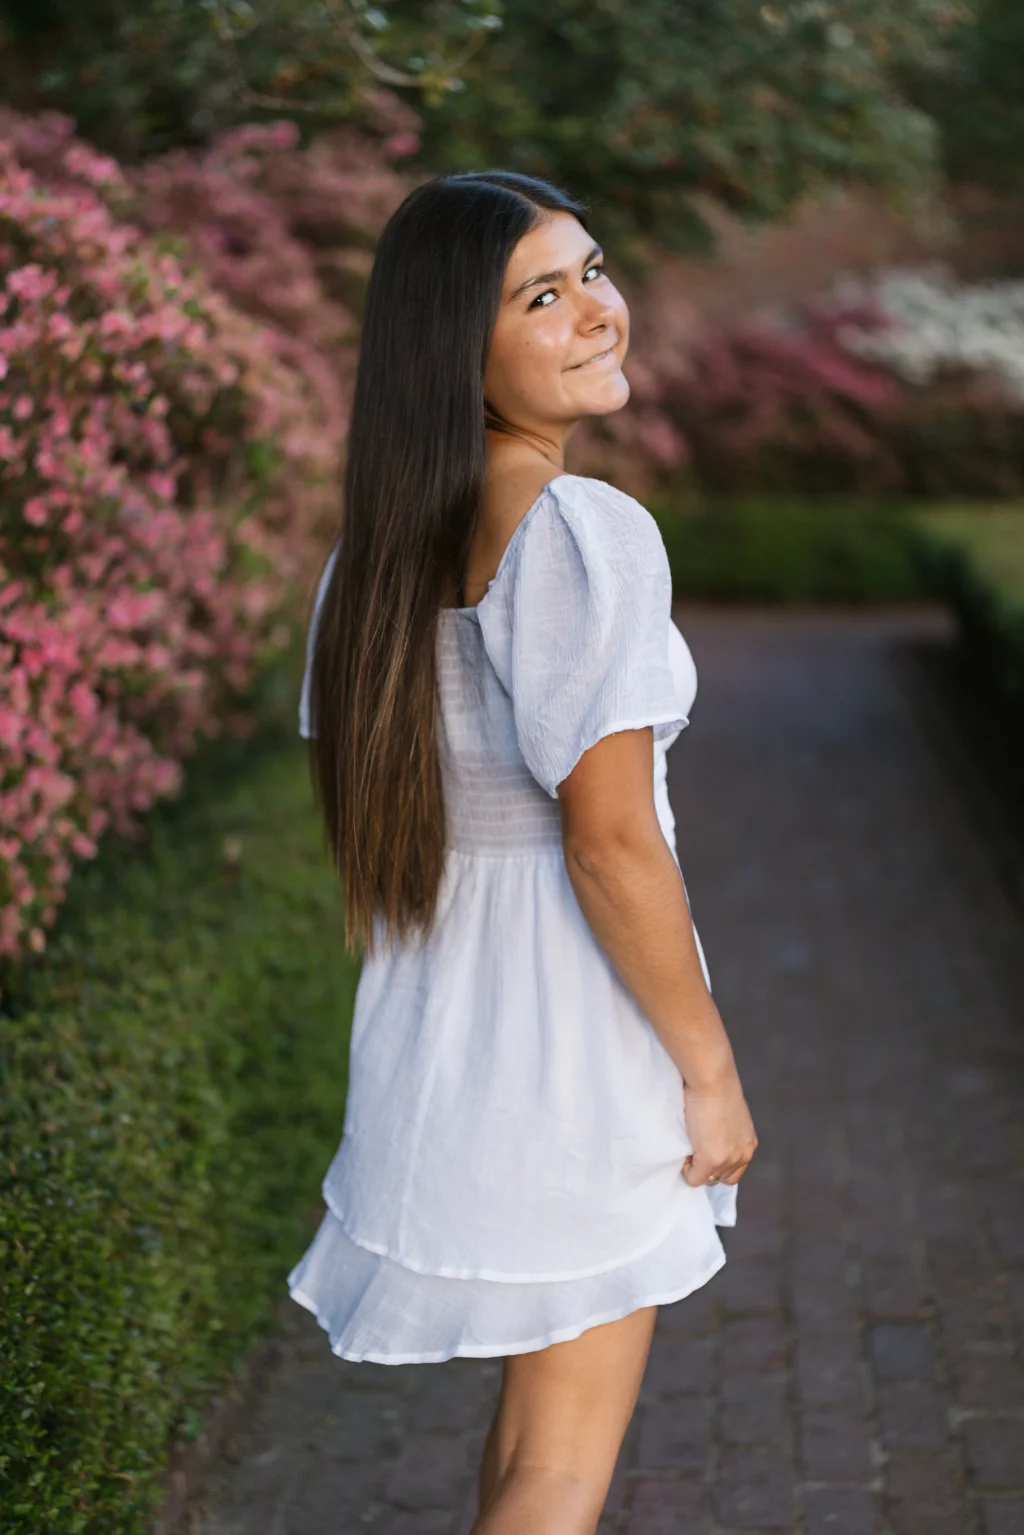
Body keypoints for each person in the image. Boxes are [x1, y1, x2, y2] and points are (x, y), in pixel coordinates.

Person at [289, 171, 757, 1535]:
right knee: (558, 1471)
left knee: (528, 1449)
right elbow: (610, 845)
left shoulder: (372, 555)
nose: (599, 310)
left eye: (593, 270)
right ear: (459, 346)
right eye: (542, 295)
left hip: (450, 1021)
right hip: (572, 1034)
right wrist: (709, 1069)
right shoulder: (575, 530)